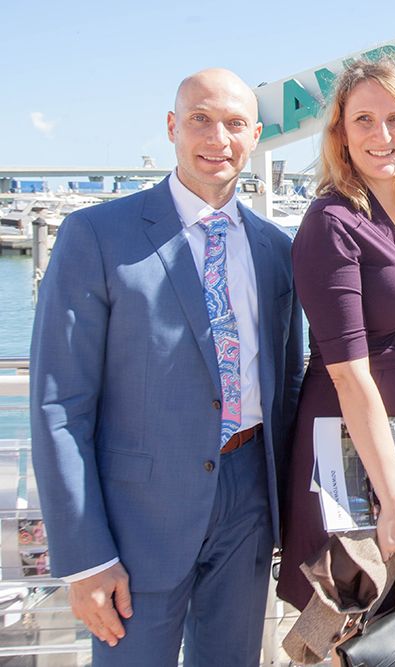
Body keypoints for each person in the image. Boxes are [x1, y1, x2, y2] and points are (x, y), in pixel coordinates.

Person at [29, 68, 303, 666]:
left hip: (249, 503)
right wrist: (85, 556)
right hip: (137, 519)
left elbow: (289, 388)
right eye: (201, 119)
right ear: (173, 127)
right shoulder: (96, 235)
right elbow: (58, 405)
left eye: (235, 124)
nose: (218, 137)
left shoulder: (277, 250)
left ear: (255, 136)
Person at [276, 60, 395, 610]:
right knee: (356, 611)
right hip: (356, 449)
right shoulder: (330, 223)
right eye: (364, 119)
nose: (382, 135)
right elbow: (348, 375)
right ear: (340, 133)